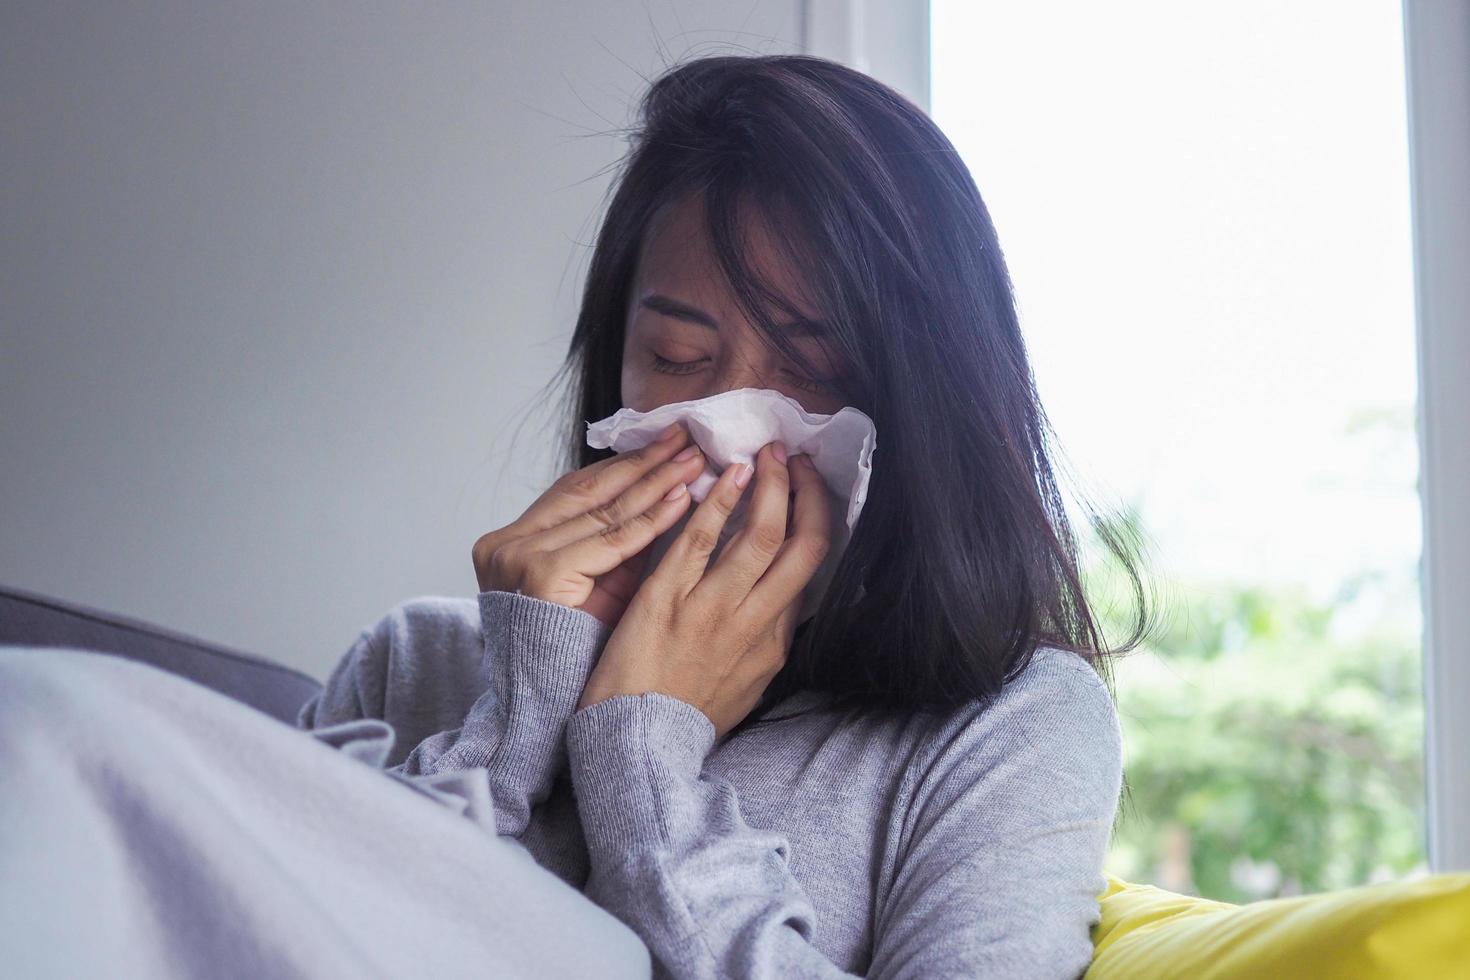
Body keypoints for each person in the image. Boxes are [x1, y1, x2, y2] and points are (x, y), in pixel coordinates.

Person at [298, 53, 1152, 979]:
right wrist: (513, 732)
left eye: (816, 375)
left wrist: (644, 760)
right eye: (674, 356)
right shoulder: (410, 665)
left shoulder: (1007, 729)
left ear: (927, 406)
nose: (730, 432)